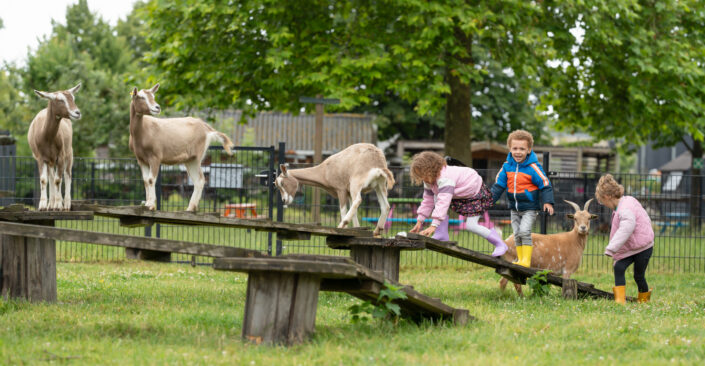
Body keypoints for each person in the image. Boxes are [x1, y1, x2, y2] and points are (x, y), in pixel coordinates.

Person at [408, 151, 507, 257]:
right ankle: (441, 233)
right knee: (436, 195)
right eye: (420, 175)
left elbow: (443, 202)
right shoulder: (429, 180)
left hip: (476, 194)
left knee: (471, 225)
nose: (423, 178)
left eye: (424, 174)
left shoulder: (445, 179)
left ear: (432, 169)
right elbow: (428, 200)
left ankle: (500, 244)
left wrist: (434, 225)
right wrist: (419, 221)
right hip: (459, 194)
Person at [490, 130, 554, 267]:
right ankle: (521, 259)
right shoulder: (507, 166)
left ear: (529, 150)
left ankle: (527, 261)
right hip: (514, 207)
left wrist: (548, 201)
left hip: (530, 208)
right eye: (515, 148)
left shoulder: (533, 167)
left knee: (524, 232)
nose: (518, 152)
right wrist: (489, 200)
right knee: (517, 234)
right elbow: (499, 185)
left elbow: (545, 183)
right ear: (510, 149)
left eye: (522, 149)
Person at [595, 174, 654, 304]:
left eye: (601, 201)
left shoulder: (624, 208)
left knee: (639, 276)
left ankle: (644, 302)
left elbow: (627, 227)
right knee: (619, 267)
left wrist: (612, 248)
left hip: (643, 248)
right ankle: (620, 302)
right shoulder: (627, 202)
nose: (602, 204)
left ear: (607, 197)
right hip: (632, 248)